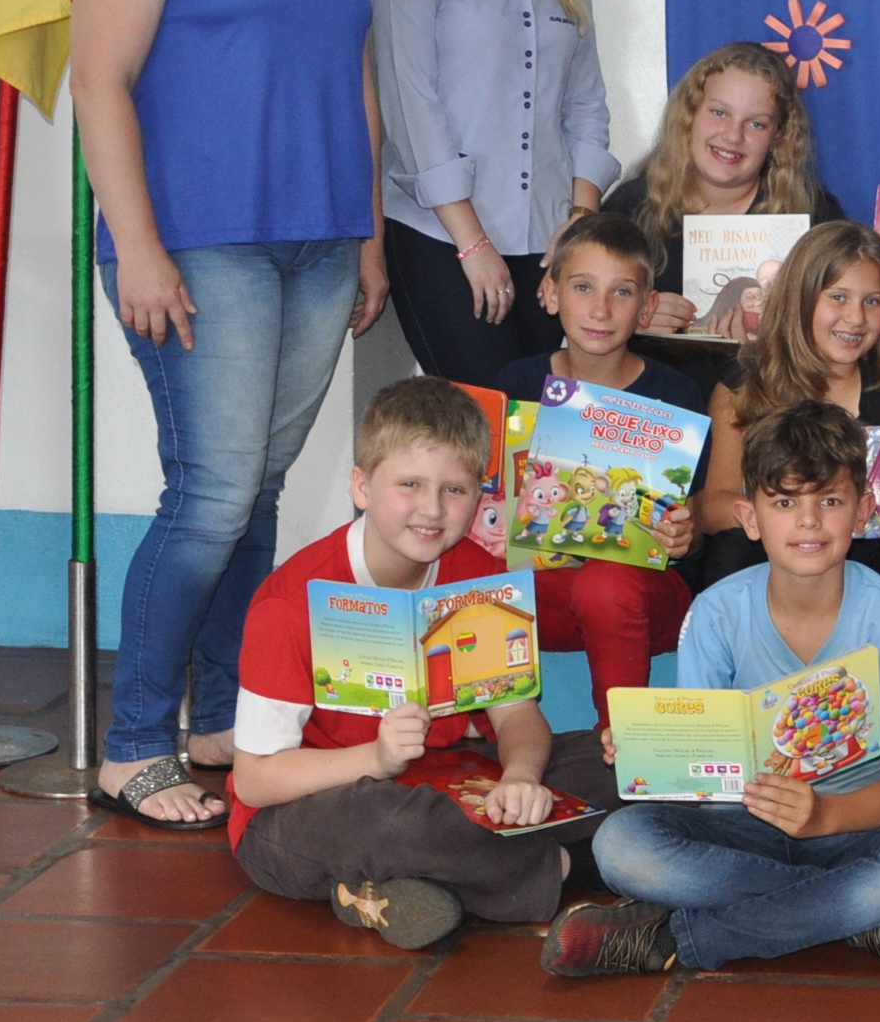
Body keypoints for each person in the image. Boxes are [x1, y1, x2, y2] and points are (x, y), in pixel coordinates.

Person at [71, 0, 390, 827]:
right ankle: (133, 744)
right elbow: (97, 80)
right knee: (208, 499)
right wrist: (142, 247)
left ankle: (219, 719)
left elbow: (352, 82)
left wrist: (367, 236)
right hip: (198, 243)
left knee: (251, 495)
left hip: (317, 242)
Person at [546, 400, 880, 978]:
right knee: (621, 844)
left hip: (849, 826)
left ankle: (680, 937)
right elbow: (695, 779)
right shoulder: (717, 612)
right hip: (739, 828)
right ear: (749, 518)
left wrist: (823, 815)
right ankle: (862, 915)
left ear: (864, 511)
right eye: (784, 502)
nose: (809, 522)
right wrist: (650, 753)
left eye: (830, 500)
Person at [227, 379, 612, 948]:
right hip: (311, 808)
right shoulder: (289, 604)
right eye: (409, 485)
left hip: (453, 779)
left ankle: (406, 891)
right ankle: (573, 868)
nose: (432, 510)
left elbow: (516, 716)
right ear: (361, 486)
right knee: (395, 824)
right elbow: (255, 780)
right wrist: (377, 757)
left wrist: (521, 777)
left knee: (618, 766)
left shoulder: (477, 576)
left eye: (455, 489)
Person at [374, 0, 617, 386]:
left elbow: (586, 107)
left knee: (533, 432)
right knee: (485, 422)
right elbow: (412, 110)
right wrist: (473, 246)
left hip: (544, 246)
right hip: (443, 237)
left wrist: (579, 224)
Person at [702, 222, 880, 644]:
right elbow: (713, 505)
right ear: (800, 298)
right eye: (838, 297)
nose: (856, 318)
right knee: (732, 546)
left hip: (868, 566)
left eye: (872, 301)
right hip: (779, 557)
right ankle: (745, 686)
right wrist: (785, 516)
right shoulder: (744, 386)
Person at [492, 213, 705, 729]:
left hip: (640, 600)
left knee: (605, 583)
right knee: (460, 569)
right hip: (545, 592)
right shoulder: (515, 383)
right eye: (583, 287)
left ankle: (623, 736)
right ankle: (480, 730)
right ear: (550, 292)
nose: (600, 310)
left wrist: (682, 534)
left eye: (623, 293)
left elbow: (690, 529)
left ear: (648, 307)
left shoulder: (675, 396)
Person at [598, 43, 848, 369]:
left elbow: (846, 323)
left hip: (766, 401)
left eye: (756, 124)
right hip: (656, 405)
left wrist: (777, 335)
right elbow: (580, 306)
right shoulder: (631, 207)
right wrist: (630, 314)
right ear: (690, 115)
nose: (733, 136)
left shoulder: (813, 216)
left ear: (778, 137)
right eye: (719, 113)